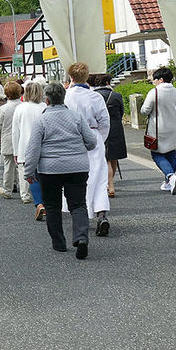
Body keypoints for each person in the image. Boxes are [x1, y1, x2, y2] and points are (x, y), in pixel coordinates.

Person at [23, 82, 98, 259]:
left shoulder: (41, 120)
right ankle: (81, 238)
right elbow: (92, 142)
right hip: (77, 167)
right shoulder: (76, 117)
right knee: (78, 204)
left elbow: (33, 150)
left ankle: (59, 243)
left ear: (46, 100)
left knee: (52, 206)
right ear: (63, 97)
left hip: (50, 170)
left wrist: (28, 173)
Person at [65, 62, 111, 237]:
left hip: (72, 139)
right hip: (93, 136)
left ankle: (79, 215)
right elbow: (105, 122)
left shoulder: (66, 96)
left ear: (71, 78)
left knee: (76, 178)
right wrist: (99, 138)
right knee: (99, 178)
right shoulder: (95, 97)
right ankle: (101, 215)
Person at [140, 67, 176, 194]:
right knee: (171, 153)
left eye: (155, 79)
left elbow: (144, 111)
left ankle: (170, 176)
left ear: (160, 79)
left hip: (159, 129)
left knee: (157, 154)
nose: (154, 82)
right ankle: (168, 182)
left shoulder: (154, 92)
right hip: (175, 128)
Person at [12, 80, 46, 218]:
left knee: (31, 177)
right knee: (44, 176)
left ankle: (39, 203)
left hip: (25, 146)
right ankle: (46, 202)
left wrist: (15, 151)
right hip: (44, 146)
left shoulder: (20, 108)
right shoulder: (45, 106)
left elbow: (15, 132)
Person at [91, 74, 127, 197]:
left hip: (100, 128)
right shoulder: (116, 96)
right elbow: (121, 112)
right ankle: (111, 183)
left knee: (105, 157)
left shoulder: (94, 96)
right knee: (113, 157)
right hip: (116, 127)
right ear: (107, 82)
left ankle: (109, 184)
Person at [0, 81, 23, 199]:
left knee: (8, 166)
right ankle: (24, 191)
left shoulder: (2, 109)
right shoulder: (23, 106)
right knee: (22, 166)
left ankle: (7, 189)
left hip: (7, 139)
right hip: (22, 139)